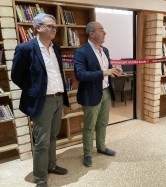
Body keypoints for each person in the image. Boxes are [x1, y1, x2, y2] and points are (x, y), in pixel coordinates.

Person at [11, 13, 69, 187]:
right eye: (50, 26)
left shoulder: (56, 48)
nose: (54, 29)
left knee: (52, 136)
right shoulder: (26, 48)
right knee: (42, 142)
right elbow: (16, 76)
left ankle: (51, 165)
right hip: (42, 102)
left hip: (58, 99)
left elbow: (58, 73)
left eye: (55, 27)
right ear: (38, 27)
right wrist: (34, 91)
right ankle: (40, 178)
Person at [73, 22, 122, 167]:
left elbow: (107, 69)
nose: (105, 32)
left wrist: (114, 70)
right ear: (92, 34)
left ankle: (101, 147)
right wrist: (103, 73)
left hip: (106, 91)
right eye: (101, 30)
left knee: (102, 123)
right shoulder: (81, 51)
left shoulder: (105, 50)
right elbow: (80, 74)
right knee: (89, 126)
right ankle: (87, 153)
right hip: (90, 94)